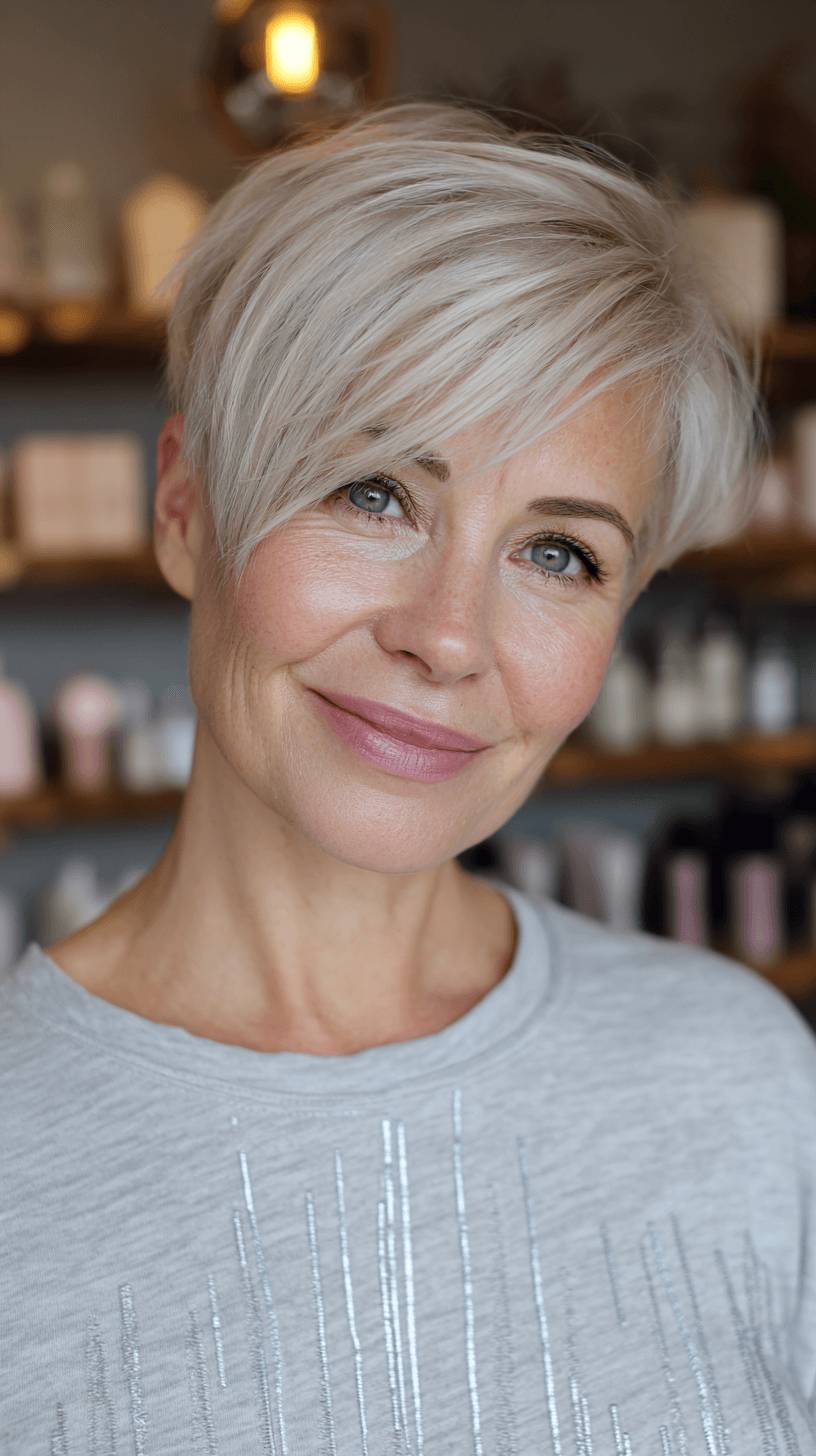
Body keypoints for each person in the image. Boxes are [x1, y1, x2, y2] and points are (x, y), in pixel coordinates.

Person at [2, 98, 815, 1452]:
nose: (447, 637)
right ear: (186, 507)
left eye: (560, 553)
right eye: (375, 489)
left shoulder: (742, 1086)